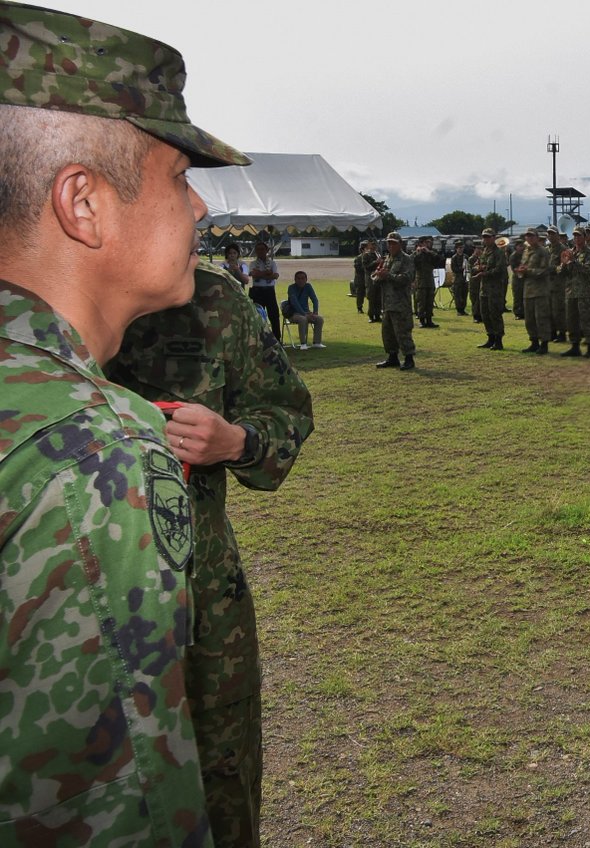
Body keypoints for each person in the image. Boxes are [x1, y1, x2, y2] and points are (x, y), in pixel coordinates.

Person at [0, 3, 251, 845]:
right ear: (85, 203)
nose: (201, 207)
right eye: (179, 177)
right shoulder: (89, 448)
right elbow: (101, 810)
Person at [106, 260, 314, 848]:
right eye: (183, 206)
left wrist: (237, 441)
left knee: (221, 779)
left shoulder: (212, 298)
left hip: (201, 602)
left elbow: (287, 409)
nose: (199, 214)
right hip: (52, 613)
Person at [374, 231, 416, 369]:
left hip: (400, 304)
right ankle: (392, 357)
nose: (391, 246)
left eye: (393, 243)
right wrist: (379, 276)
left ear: (400, 244)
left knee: (402, 332)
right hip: (387, 303)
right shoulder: (387, 259)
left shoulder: (406, 259)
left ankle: (409, 358)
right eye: (389, 243)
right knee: (388, 333)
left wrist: (389, 276)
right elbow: (377, 278)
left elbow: (407, 278)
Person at [560, 227, 590, 357]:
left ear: (585, 237)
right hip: (571, 292)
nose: (576, 238)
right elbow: (562, 272)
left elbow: (588, 270)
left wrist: (574, 261)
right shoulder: (571, 252)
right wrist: (563, 265)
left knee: (586, 320)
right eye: (574, 235)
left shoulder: (589, 253)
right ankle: (575, 346)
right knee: (571, 321)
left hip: (584, 292)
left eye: (579, 235)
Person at [518, 228, 553, 354]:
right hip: (528, 290)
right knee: (529, 319)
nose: (530, 238)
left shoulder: (542, 251)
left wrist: (527, 271)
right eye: (528, 236)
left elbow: (544, 271)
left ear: (537, 238)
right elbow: (524, 267)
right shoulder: (526, 251)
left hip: (540, 291)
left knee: (541, 318)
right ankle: (534, 342)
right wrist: (521, 271)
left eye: (532, 236)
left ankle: (544, 344)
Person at [473, 228, 507, 350]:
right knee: (485, 314)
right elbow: (479, 265)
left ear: (494, 238)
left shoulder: (499, 253)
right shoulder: (484, 252)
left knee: (495, 314)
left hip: (495, 289)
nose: (486, 239)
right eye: (484, 237)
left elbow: (499, 270)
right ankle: (490, 338)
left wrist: (484, 273)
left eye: (488, 237)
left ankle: (498, 340)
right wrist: (477, 268)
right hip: (484, 289)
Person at [248, 241, 282, 340]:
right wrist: (267, 273)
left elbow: (275, 276)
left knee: (274, 315)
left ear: (267, 250)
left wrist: (261, 274)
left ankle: (277, 339)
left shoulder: (272, 263)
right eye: (258, 249)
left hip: (269, 291)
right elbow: (254, 275)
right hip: (257, 291)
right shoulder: (253, 263)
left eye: (262, 249)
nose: (260, 251)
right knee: (258, 316)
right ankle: (260, 339)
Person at [285, 269, 325, 349]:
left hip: (307, 312)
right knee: (303, 319)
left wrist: (315, 312)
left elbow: (314, 299)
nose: (301, 280)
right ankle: (303, 343)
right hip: (294, 313)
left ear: (306, 279)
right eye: (298, 278)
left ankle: (317, 342)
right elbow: (294, 303)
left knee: (319, 319)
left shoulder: (308, 286)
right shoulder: (291, 288)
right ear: (295, 280)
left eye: (303, 278)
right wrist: (304, 314)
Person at [412, 235, 440, 328]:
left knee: (429, 302)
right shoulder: (416, 253)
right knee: (421, 302)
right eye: (427, 242)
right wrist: (418, 253)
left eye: (429, 242)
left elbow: (439, 259)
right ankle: (421, 320)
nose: (429, 244)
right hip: (420, 282)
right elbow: (411, 263)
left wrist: (429, 252)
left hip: (430, 281)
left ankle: (429, 320)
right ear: (421, 243)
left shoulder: (431, 253)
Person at [363, 238, 382, 322]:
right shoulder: (366, 255)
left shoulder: (378, 254)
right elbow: (366, 267)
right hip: (370, 279)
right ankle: (371, 316)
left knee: (378, 298)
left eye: (375, 244)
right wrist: (375, 262)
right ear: (369, 245)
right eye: (372, 244)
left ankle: (377, 315)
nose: (374, 246)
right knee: (371, 298)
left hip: (378, 279)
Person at [450, 240, 469, 315]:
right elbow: (454, 269)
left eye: (462, 247)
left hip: (465, 279)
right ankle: (459, 310)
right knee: (458, 296)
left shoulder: (465, 257)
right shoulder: (454, 257)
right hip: (458, 279)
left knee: (464, 295)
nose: (461, 249)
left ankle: (463, 309)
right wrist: (461, 269)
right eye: (459, 248)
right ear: (456, 249)